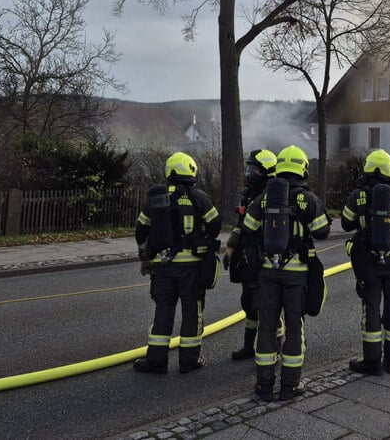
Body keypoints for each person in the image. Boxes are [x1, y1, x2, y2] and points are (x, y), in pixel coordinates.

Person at [242, 145, 330, 401]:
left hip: (268, 272)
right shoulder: (308, 198)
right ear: (302, 168)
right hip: (296, 275)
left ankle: (264, 386)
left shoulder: (267, 196)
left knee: (267, 326)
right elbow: (322, 231)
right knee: (294, 327)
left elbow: (248, 225)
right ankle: (290, 385)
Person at [133, 151, 221, 374]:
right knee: (192, 312)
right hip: (191, 267)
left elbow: (140, 230)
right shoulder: (198, 196)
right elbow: (215, 224)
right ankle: (189, 360)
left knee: (163, 310)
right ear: (190, 171)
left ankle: (156, 361)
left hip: (162, 267)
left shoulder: (155, 198)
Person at [342, 149, 390, 376]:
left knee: (371, 309)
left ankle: (372, 362)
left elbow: (346, 223)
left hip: (369, 264)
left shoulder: (358, 194)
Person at [223, 149, 278, 360]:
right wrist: (231, 246)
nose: (249, 172)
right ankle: (249, 347)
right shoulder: (250, 193)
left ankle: (275, 349)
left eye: (253, 168)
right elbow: (240, 225)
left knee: (268, 307)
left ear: (265, 171)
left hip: (264, 260)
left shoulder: (272, 195)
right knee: (249, 304)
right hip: (249, 258)